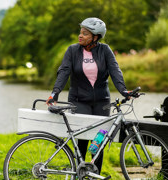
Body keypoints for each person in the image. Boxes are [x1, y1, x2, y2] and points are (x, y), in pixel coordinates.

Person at [46, 17, 131, 174]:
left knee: (98, 141)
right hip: (79, 100)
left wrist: (124, 91)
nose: (80, 35)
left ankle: (95, 174)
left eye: (85, 33)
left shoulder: (105, 50)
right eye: (80, 32)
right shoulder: (72, 50)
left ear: (95, 37)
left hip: (102, 102)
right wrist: (55, 93)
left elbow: (115, 70)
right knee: (83, 139)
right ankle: (80, 173)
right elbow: (63, 72)